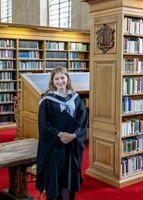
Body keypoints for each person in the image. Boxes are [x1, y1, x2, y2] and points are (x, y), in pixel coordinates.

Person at [36, 66, 88, 200]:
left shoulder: (75, 98)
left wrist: (74, 135)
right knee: (55, 176)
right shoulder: (47, 100)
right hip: (55, 146)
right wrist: (58, 134)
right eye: (56, 78)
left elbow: (82, 120)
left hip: (71, 145)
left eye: (62, 78)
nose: (60, 81)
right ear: (52, 81)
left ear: (67, 79)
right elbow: (44, 124)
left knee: (69, 176)